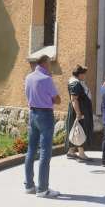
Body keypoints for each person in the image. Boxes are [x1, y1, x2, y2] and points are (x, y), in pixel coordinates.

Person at [24, 55, 61, 198]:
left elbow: (27, 94)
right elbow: (57, 99)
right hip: (45, 114)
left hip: (32, 113)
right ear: (45, 63)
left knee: (31, 149)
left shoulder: (29, 77)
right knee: (45, 151)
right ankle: (43, 189)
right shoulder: (46, 79)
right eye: (50, 63)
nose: (51, 66)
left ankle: (29, 186)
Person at [65, 64, 93, 162]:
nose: (85, 76)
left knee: (76, 128)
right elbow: (74, 99)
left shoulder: (77, 82)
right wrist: (78, 113)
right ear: (79, 74)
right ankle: (81, 153)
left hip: (80, 109)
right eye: (84, 74)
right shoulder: (75, 83)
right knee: (80, 129)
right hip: (79, 110)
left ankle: (71, 151)